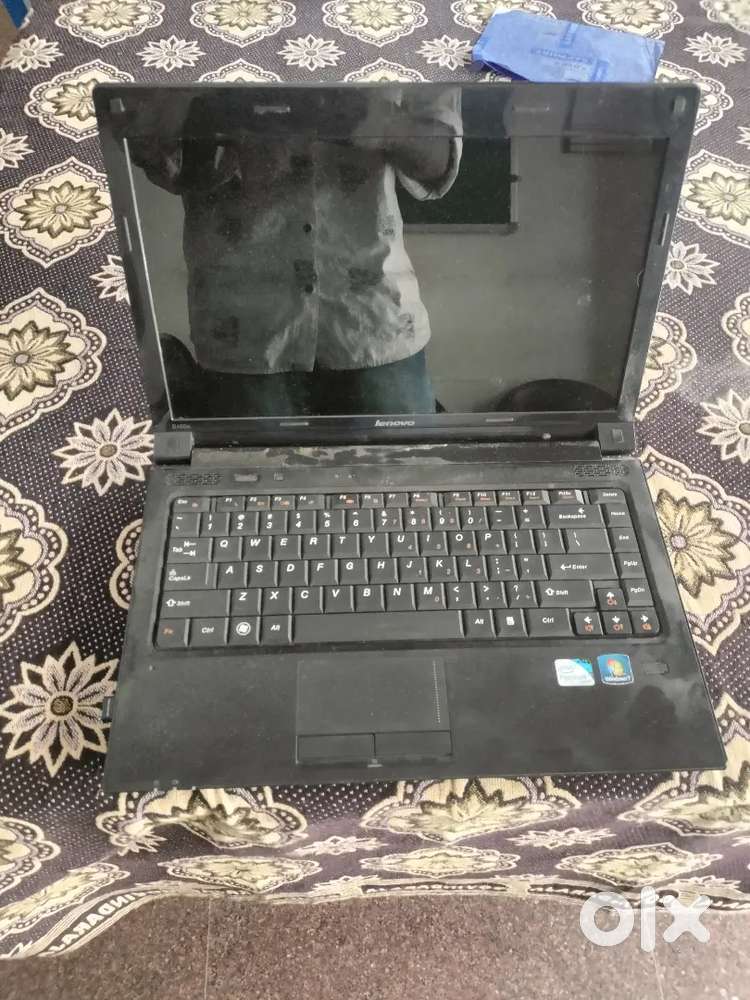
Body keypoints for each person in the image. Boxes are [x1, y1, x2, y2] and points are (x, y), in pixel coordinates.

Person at [129, 87, 463, 417]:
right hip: (243, 331)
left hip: (373, 324)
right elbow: (151, 149)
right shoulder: (188, 54)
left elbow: (441, 161)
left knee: (405, 455)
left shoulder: (407, 55)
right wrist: (220, 118)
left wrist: (377, 122)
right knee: (246, 457)